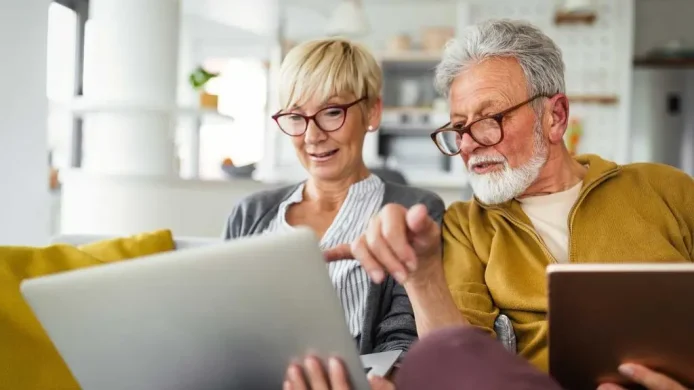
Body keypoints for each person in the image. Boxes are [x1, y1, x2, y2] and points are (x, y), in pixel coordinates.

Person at [283, 19, 694, 390]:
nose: (467, 144)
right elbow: (457, 363)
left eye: (488, 119)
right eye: (458, 127)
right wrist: (421, 277)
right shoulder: (466, 225)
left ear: (555, 116)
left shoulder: (664, 188)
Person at [221, 37, 445, 356]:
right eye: (296, 117)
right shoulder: (250, 213)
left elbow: (404, 340)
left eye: (332, 112)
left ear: (372, 112)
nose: (312, 135)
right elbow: (222, 321)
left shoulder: (415, 212)